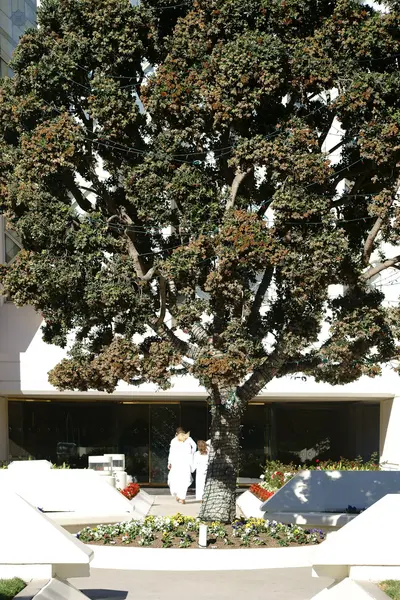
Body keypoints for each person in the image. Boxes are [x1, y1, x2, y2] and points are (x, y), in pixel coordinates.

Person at [167, 429, 194, 504]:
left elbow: (171, 453)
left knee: (176, 479)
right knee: (184, 479)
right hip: (185, 462)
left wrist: (169, 462)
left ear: (176, 433)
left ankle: (178, 495)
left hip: (176, 462)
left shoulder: (174, 440)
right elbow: (194, 446)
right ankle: (182, 497)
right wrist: (191, 454)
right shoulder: (188, 439)